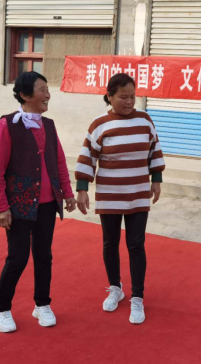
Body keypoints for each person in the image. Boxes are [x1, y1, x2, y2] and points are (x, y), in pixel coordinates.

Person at [0, 71, 76, 333]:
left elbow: (59, 161)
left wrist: (67, 192)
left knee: (44, 256)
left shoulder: (49, 125)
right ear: (25, 95)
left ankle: (42, 304)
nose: (48, 95)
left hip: (48, 204)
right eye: (42, 90)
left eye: (48, 89)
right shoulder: (7, 125)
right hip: (19, 206)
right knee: (18, 257)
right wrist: (1, 207)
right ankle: (0, 309)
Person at [75, 73, 165, 325]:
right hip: (110, 194)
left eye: (133, 97)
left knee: (136, 245)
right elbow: (87, 157)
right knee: (110, 242)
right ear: (110, 97)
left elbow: (155, 150)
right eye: (123, 97)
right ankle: (115, 287)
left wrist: (156, 179)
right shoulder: (99, 125)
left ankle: (137, 297)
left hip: (137, 194)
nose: (129, 102)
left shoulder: (145, 120)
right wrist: (82, 188)